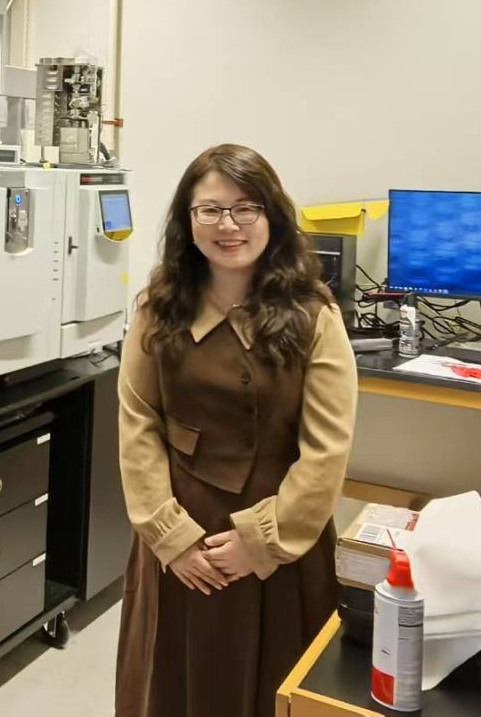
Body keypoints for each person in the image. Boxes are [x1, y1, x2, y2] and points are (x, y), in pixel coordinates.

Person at [114, 144, 360, 717]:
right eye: (210, 210)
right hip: (179, 526)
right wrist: (170, 537)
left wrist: (263, 542)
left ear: (272, 217)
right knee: (169, 685)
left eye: (246, 208)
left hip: (279, 531)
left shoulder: (313, 315)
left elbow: (327, 450)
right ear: (188, 220)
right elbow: (137, 425)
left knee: (272, 683)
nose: (229, 225)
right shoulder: (158, 309)